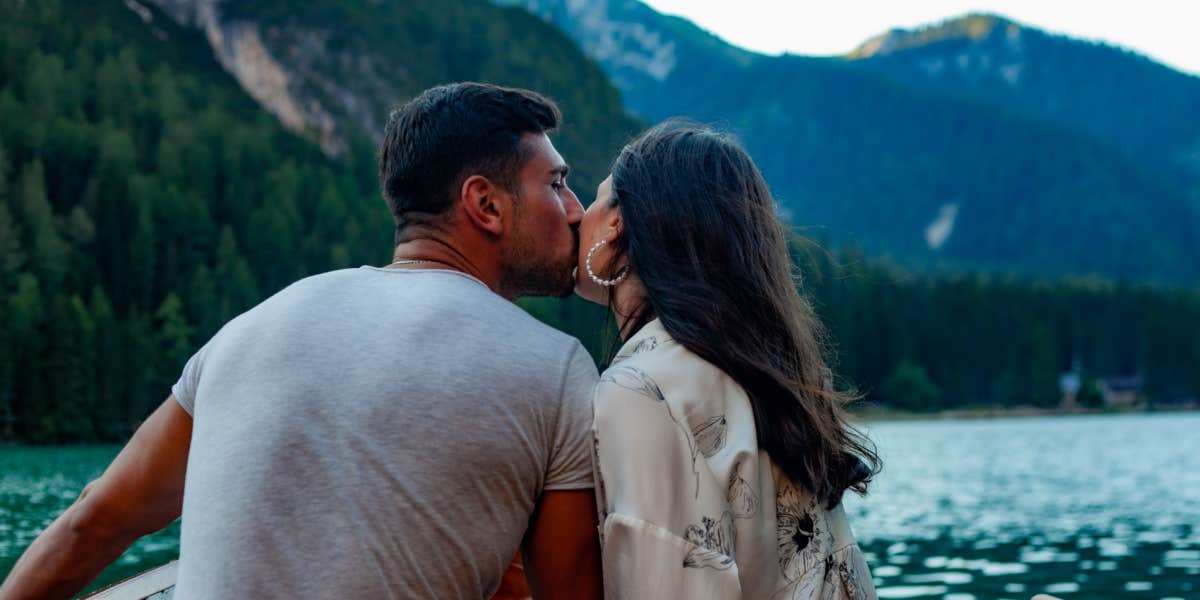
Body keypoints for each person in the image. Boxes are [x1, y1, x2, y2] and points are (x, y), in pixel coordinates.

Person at [0, 83, 603, 600]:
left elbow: (91, 524)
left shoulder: (251, 328)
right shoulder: (556, 370)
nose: (575, 211)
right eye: (556, 184)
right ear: (486, 205)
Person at [575, 121, 881, 598]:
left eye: (593, 198)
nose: (576, 214)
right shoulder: (762, 371)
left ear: (619, 224)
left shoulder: (643, 389)